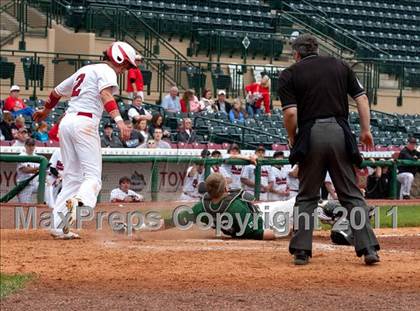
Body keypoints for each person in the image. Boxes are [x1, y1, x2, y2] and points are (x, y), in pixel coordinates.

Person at [278, 34, 380, 265]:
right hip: (339, 133)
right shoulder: (340, 65)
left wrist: (292, 138)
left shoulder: (289, 74)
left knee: (307, 196)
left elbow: (291, 113)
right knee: (351, 195)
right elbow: (362, 99)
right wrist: (365, 130)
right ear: (316, 48)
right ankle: (368, 249)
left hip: (310, 133)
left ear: (296, 53)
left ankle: (301, 251)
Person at [33, 41, 135, 239]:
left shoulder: (86, 69)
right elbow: (106, 94)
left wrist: (45, 111)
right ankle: (80, 202)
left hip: (67, 122)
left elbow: (56, 93)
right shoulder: (107, 71)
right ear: (118, 58)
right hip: (85, 123)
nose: (125, 70)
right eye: (126, 65)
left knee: (72, 178)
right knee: (93, 178)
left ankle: (57, 226)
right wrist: (120, 122)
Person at [167, 173, 293, 239]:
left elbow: (176, 220)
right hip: (268, 218)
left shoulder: (201, 208)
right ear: (226, 188)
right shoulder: (236, 207)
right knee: (298, 202)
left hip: (254, 218)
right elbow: (260, 234)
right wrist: (285, 232)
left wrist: (148, 226)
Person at [16, 138, 39, 203]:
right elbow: (25, 169)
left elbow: (40, 171)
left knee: (47, 187)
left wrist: (36, 169)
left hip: (34, 184)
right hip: (24, 185)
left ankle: (47, 204)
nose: (31, 147)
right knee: (24, 206)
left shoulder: (37, 156)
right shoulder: (21, 155)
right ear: (25, 146)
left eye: (32, 145)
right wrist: (38, 168)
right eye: (29, 145)